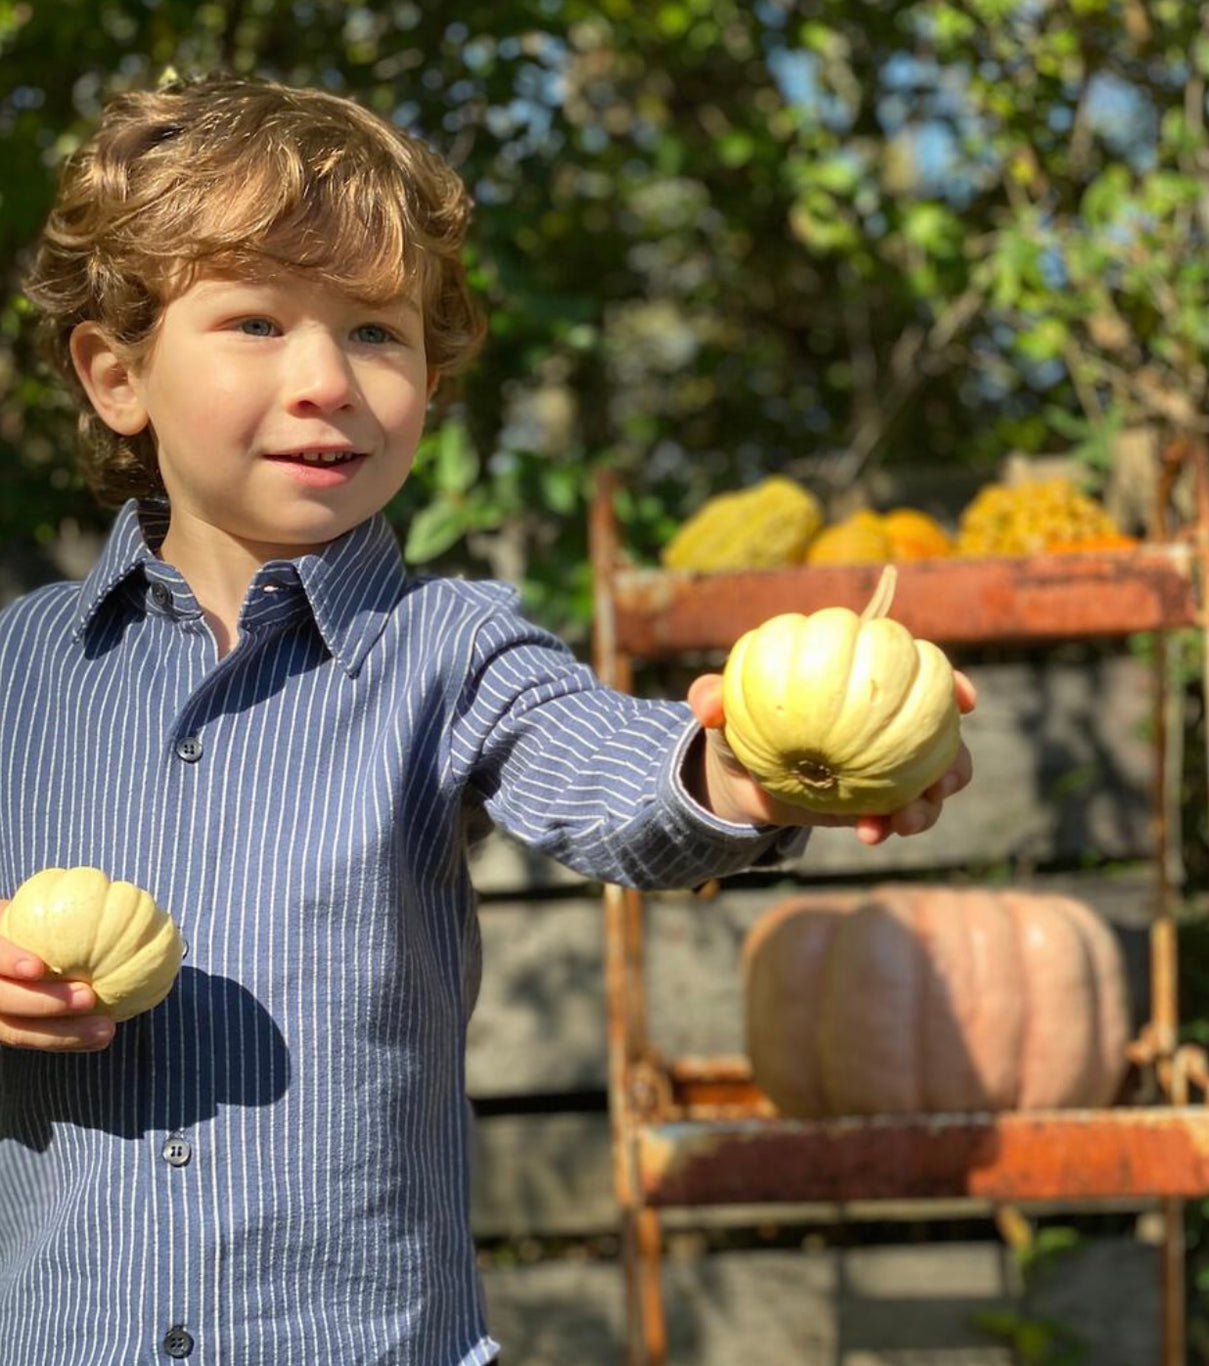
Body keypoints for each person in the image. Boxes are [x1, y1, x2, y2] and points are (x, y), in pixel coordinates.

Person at [0, 72, 975, 1365]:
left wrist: (743, 768)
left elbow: (597, 764)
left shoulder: (450, 649)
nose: (323, 381)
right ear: (116, 374)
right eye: (254, 321)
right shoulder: (21, 672)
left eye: (373, 333)